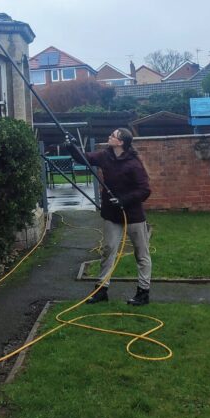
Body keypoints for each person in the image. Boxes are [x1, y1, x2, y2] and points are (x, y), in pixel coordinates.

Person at [72, 128, 152, 305]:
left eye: (113, 136)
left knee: (141, 254)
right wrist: (71, 146)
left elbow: (145, 190)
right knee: (108, 250)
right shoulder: (105, 156)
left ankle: (143, 292)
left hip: (133, 215)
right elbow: (84, 158)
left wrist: (124, 200)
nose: (109, 136)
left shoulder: (134, 164)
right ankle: (101, 290)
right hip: (111, 214)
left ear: (121, 142)